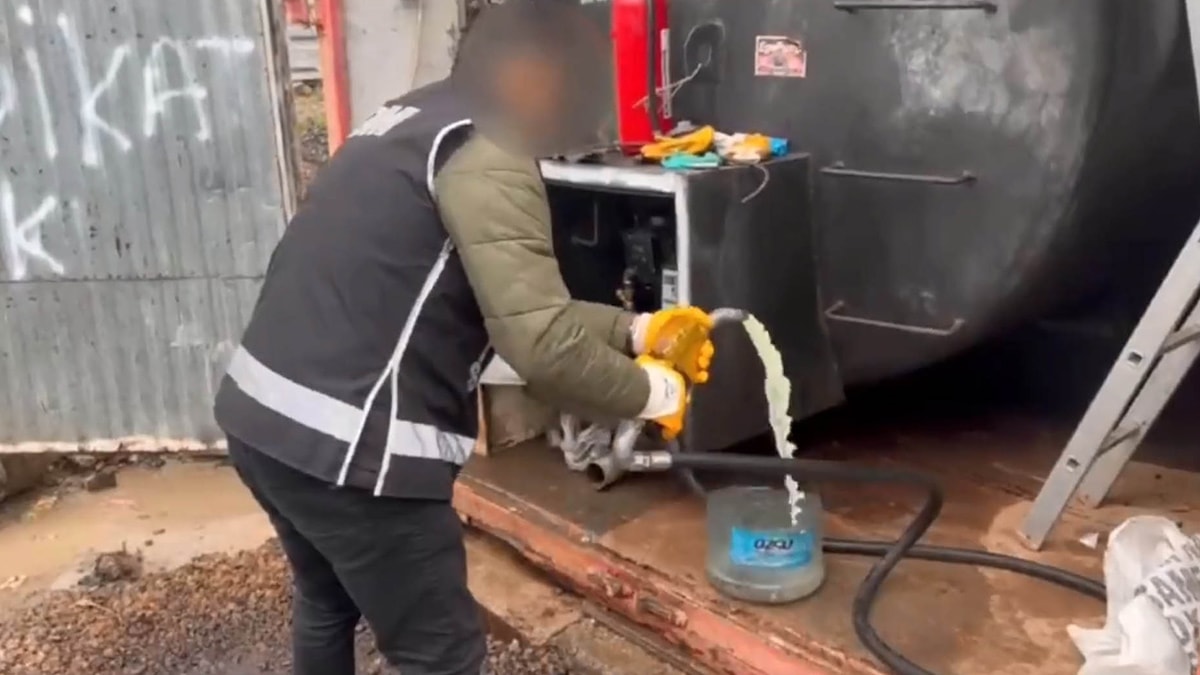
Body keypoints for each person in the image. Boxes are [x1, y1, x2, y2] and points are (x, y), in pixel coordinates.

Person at [212, 2, 715, 674]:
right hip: (349, 452)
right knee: (441, 655)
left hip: (263, 420)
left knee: (326, 600)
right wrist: (654, 394)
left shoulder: (411, 116)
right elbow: (542, 345)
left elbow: (521, 308)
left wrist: (638, 329)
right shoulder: (490, 150)